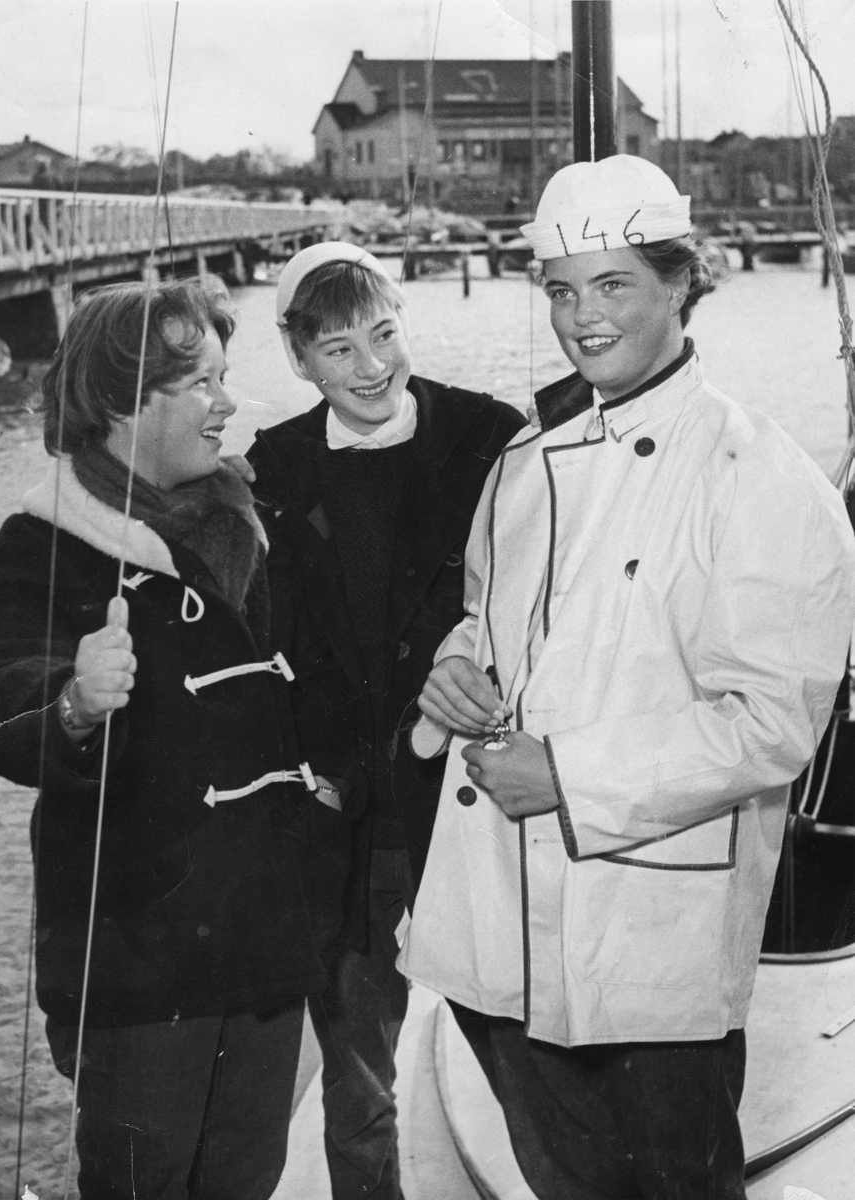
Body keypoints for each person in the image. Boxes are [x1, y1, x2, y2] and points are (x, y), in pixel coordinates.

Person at [399, 155, 855, 1199]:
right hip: (495, 921)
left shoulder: (759, 476)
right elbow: (483, 621)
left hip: (647, 946)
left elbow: (770, 725)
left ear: (682, 282)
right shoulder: (524, 461)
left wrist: (566, 774)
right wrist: (455, 671)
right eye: (561, 290)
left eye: (612, 285)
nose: (581, 319)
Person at [0, 277, 328, 1200]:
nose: (227, 404)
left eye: (224, 378)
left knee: (247, 1178)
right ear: (120, 402)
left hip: (264, 946)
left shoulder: (248, 517)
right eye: (200, 384)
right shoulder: (38, 545)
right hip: (136, 969)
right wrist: (73, 701)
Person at [247, 242, 525, 1200]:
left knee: (527, 1066)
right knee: (358, 1080)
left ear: (406, 322)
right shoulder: (275, 467)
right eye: (338, 349)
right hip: (350, 817)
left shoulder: (490, 436)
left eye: (383, 334)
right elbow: (280, 646)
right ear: (298, 359)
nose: (371, 367)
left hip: (465, 799)